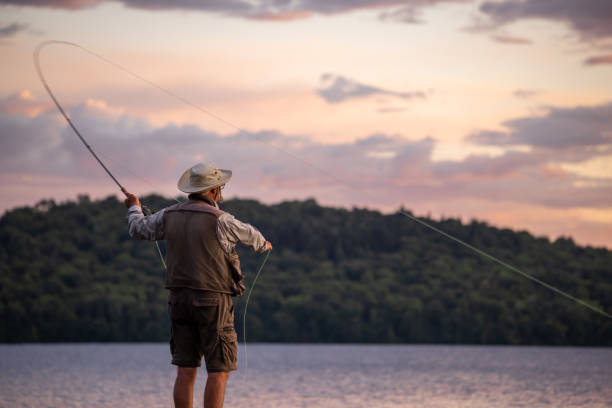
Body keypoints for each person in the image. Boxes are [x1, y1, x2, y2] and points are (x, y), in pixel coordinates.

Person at [123, 162, 272, 408]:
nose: (221, 191)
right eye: (220, 187)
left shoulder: (167, 215)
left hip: (178, 301)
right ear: (213, 191)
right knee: (218, 370)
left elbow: (138, 229)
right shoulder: (223, 219)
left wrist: (134, 208)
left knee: (186, 369)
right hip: (214, 302)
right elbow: (252, 235)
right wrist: (263, 245)